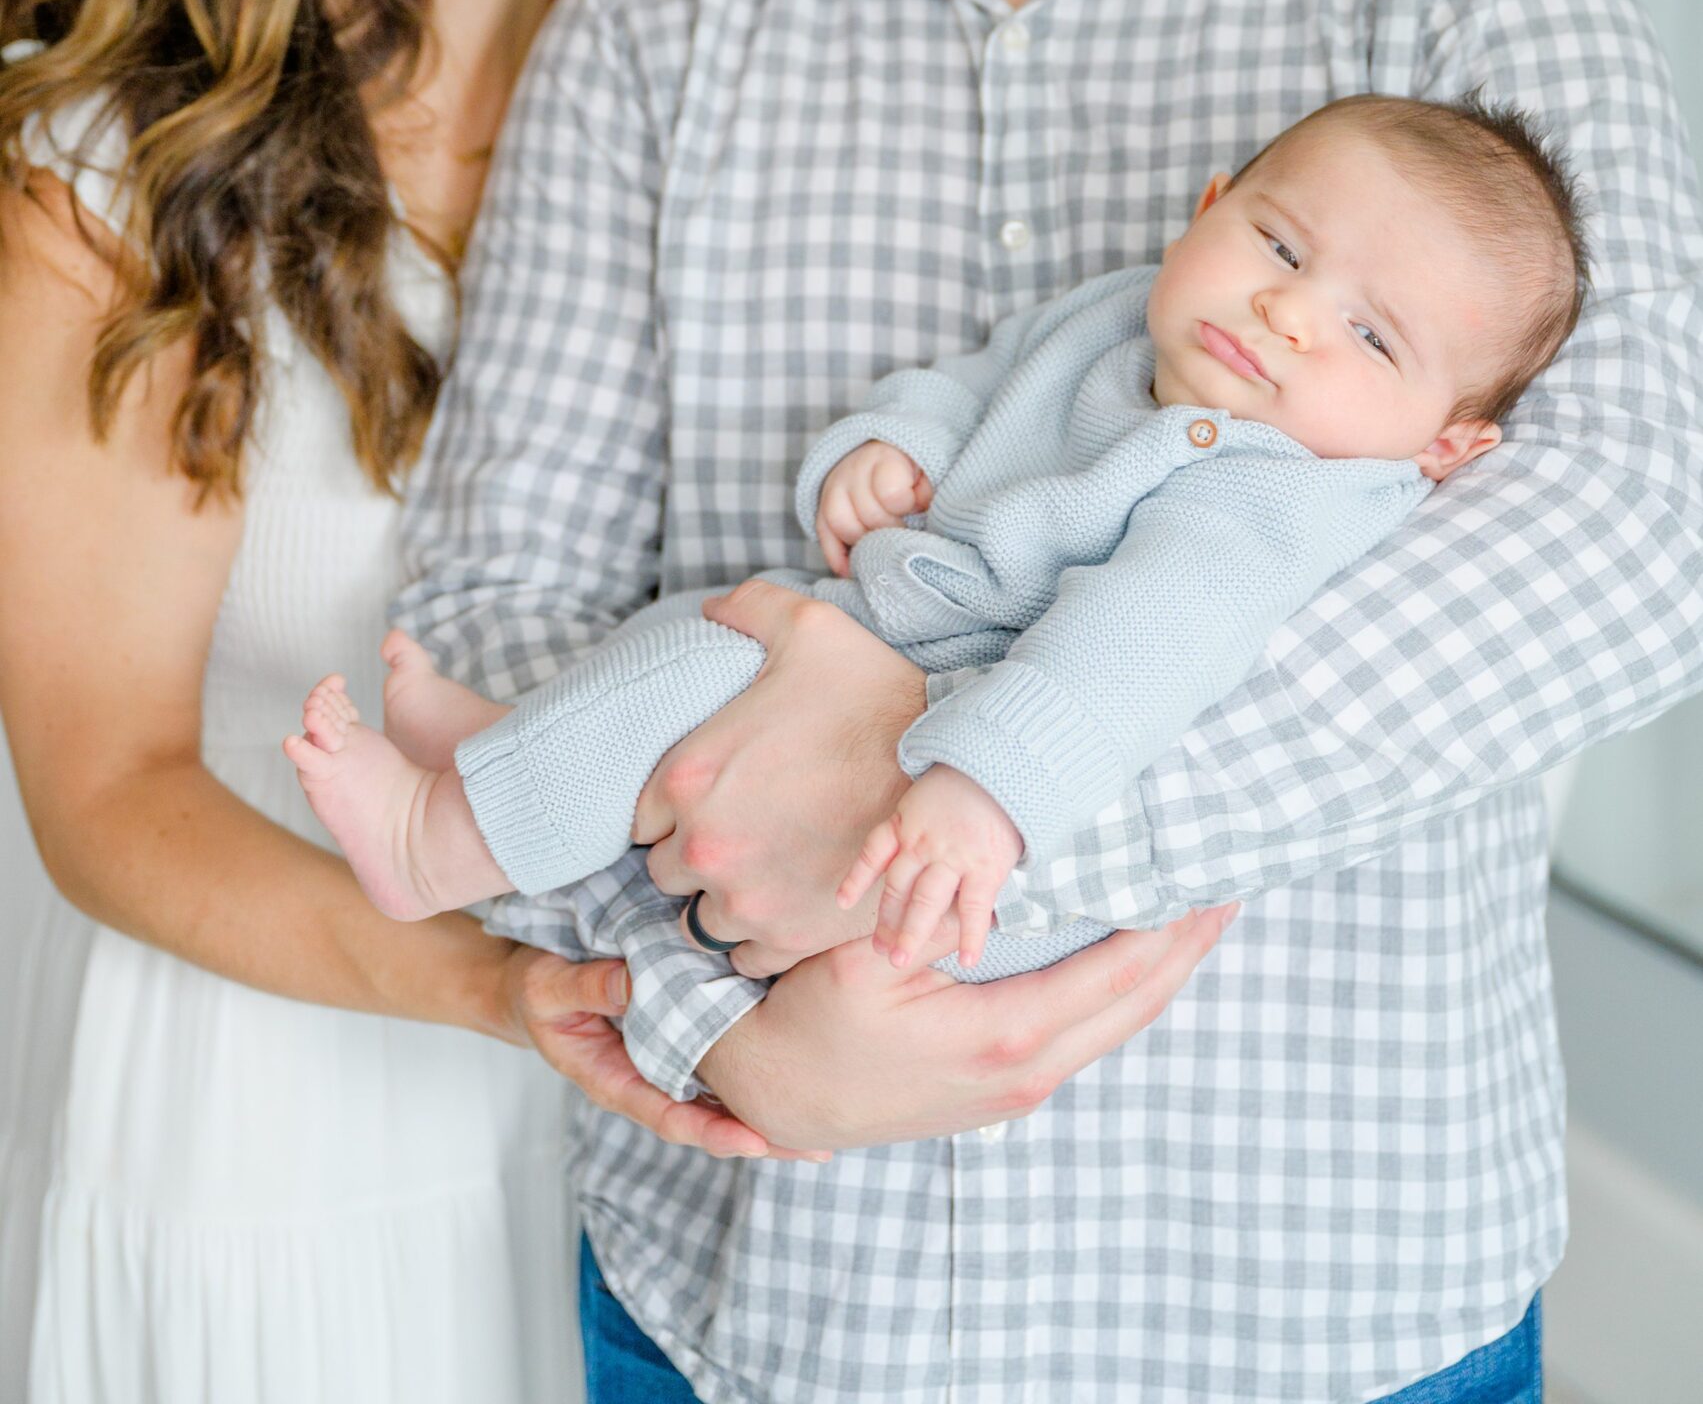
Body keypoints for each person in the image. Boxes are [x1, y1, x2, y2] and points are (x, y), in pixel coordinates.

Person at [395, 0, 1703, 1404]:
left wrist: (934, 838)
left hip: (1325, 1318)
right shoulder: (647, 30)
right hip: (761, 1306)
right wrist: (748, 1015)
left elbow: (1629, 552)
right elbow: (504, 600)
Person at [0, 0, 781, 1404]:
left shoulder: (695, 58)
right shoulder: (114, 162)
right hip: (288, 1119)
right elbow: (107, 788)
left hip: (660, 1105)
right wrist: (500, 987)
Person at [293, 92, 1586, 990]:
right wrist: (889, 450)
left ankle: (433, 847)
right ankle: (525, 758)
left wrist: (984, 798)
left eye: (1371, 337)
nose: (1289, 311)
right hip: (881, 645)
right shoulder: (1114, 322)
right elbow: (971, 384)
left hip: (958, 804)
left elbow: (1134, 652)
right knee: (702, 627)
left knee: (704, 666)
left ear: (1446, 446)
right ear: (1209, 203)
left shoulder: (1273, 491)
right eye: (1280, 243)